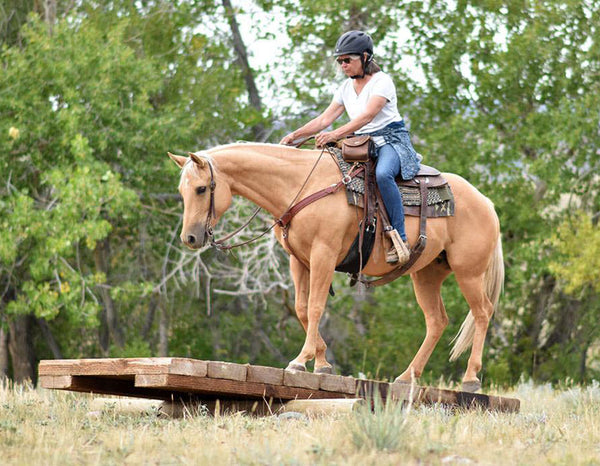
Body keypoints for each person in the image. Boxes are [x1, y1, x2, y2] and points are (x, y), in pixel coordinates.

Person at [280, 30, 420, 265]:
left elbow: (366, 117)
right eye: (340, 61)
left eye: (347, 60)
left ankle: (400, 238)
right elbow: (323, 120)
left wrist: (335, 134)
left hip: (390, 140)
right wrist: (294, 135)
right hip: (361, 143)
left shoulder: (382, 82)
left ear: (365, 57)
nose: (343, 65)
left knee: (383, 174)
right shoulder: (346, 88)